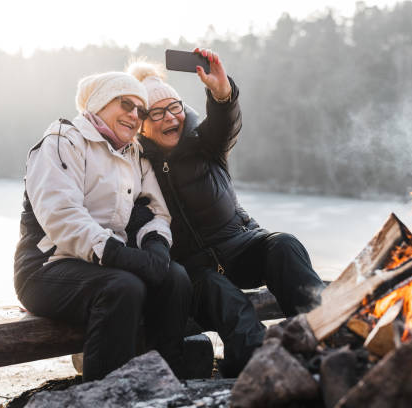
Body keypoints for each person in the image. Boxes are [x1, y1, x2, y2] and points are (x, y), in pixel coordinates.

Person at [127, 49, 325, 377]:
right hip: (195, 274)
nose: (170, 118)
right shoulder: (134, 166)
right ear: (141, 124)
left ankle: (325, 331)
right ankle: (260, 364)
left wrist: (221, 92)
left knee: (284, 245)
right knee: (224, 297)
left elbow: (225, 119)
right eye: (156, 113)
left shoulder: (204, 143)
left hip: (239, 246)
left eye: (173, 108)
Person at [13, 71, 192, 381]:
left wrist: (156, 247)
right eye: (126, 104)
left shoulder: (133, 153)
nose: (135, 116)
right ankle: (105, 393)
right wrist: (118, 254)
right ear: (100, 103)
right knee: (122, 287)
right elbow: (62, 215)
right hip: (47, 267)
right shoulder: (62, 139)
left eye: (140, 110)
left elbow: (156, 211)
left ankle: (163, 383)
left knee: (174, 277)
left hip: (105, 265)